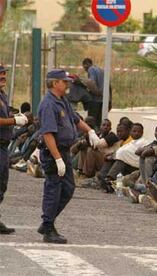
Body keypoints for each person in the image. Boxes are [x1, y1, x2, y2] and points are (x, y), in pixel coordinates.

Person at [37, 69, 100, 244]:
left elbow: (75, 119)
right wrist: (57, 159)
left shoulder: (62, 100)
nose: (68, 84)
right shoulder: (48, 104)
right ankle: (48, 228)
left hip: (64, 151)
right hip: (53, 152)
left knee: (68, 188)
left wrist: (90, 131)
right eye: (64, 82)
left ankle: (47, 222)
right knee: (53, 190)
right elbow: (48, 134)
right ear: (54, 83)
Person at [0, 65, 29, 234]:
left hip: (4, 146)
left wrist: (15, 117)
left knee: (2, 184)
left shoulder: (2, 95)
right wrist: (14, 121)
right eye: (0, 74)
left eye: (4, 74)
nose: (3, 76)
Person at [82, 58, 105, 126]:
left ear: (86, 64)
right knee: (98, 122)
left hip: (95, 100)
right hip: (102, 101)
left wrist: (95, 92)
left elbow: (92, 83)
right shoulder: (100, 70)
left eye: (84, 67)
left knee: (91, 122)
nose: (85, 69)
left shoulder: (91, 69)